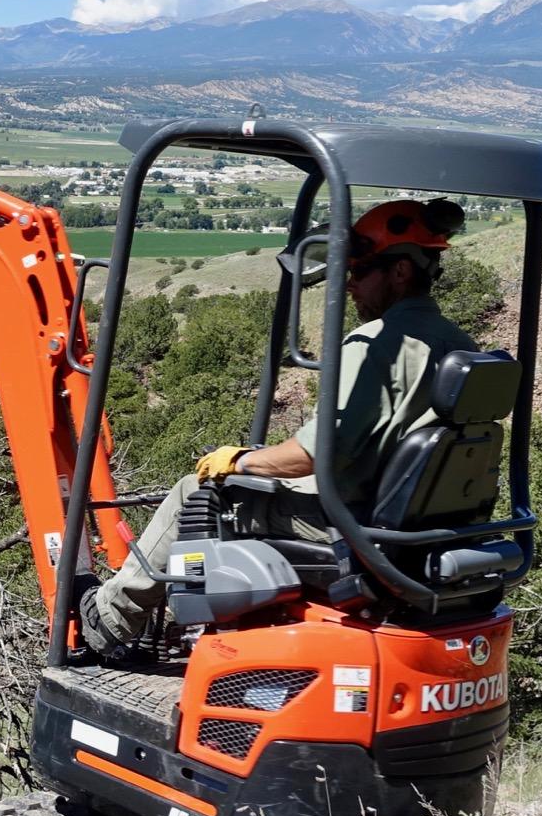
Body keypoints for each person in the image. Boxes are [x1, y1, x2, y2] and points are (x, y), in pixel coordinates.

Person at [80, 197, 477, 658]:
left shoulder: (377, 345)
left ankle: (109, 619)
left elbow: (312, 455)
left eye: (361, 271)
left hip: (353, 525)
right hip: (410, 521)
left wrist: (240, 460)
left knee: (198, 489)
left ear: (401, 272)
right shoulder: (457, 344)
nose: (349, 285)